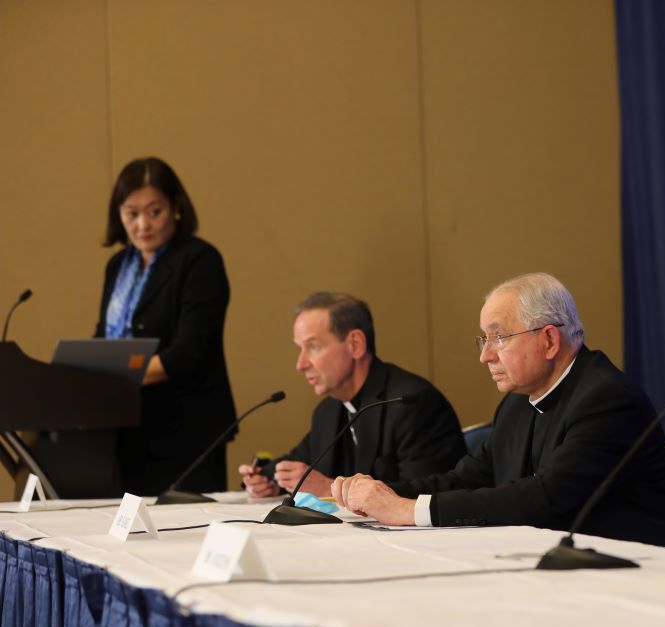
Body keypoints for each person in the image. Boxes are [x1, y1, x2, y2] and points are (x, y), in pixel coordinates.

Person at [331, 273, 665, 551]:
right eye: (484, 339)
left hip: (651, 572)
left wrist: (408, 511)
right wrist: (379, 495)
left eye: (498, 337)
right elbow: (469, 478)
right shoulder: (517, 402)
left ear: (548, 340)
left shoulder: (605, 399)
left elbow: (546, 498)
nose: (485, 355)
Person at [96, 157, 236, 495]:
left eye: (154, 211)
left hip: (186, 431)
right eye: (131, 213)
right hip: (127, 426)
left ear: (176, 207)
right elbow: (102, 339)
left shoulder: (199, 260)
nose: (143, 224)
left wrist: (120, 376)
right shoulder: (118, 265)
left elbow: (189, 353)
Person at [239, 293, 466, 498]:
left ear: (354, 344)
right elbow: (300, 461)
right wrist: (267, 480)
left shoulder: (412, 403)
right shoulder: (328, 410)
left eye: (313, 347)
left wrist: (330, 489)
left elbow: (429, 494)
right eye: (300, 348)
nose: (300, 364)